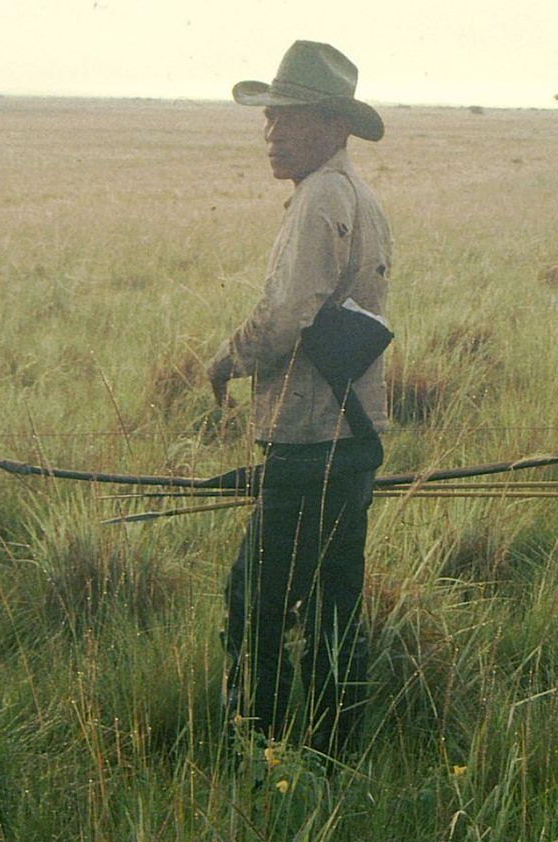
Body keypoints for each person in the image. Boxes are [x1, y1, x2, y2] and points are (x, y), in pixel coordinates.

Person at [207, 40, 392, 760]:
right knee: (332, 604)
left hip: (312, 436)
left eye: (289, 120)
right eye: (269, 119)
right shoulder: (355, 194)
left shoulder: (320, 198)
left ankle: (261, 749)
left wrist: (228, 359)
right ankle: (332, 750)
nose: (271, 135)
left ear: (335, 128)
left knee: (257, 600)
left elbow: (286, 314)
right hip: (350, 437)